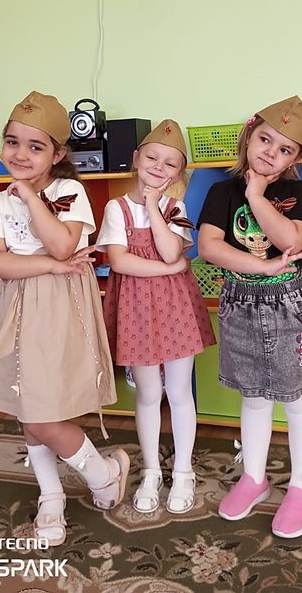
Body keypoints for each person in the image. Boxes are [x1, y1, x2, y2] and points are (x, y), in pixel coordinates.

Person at [0, 91, 129, 546]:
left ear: (58, 154)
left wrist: (29, 196)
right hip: (16, 307)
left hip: (60, 309)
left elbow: (64, 245)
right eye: (12, 142)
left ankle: (103, 474)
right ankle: (52, 494)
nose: (20, 154)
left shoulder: (69, 192)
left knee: (45, 412)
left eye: (35, 146)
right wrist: (47, 264)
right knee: (27, 407)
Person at [197, 95, 302, 539]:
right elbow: (209, 247)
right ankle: (254, 478)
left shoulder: (299, 194)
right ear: (248, 136)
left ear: (296, 158)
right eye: (265, 140)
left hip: (291, 306)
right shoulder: (221, 192)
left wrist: (256, 195)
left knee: (298, 398)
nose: (271, 152)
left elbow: (291, 241)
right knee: (254, 396)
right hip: (239, 303)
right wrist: (264, 266)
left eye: (285, 149)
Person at [96, 119, 215, 514]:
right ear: (135, 159)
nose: (159, 167)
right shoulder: (115, 208)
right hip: (135, 310)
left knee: (179, 392)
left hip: (176, 307)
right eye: (152, 157)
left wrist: (152, 207)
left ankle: (183, 471)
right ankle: (150, 470)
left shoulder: (175, 208)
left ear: (178, 174)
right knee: (148, 394)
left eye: (170, 163)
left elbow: (171, 250)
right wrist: (170, 269)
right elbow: (120, 261)